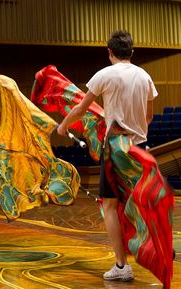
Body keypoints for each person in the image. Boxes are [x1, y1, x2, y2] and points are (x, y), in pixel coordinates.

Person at [57, 30, 157, 282]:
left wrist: (63, 126)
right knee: (136, 203)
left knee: (110, 206)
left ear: (109, 52)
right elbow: (149, 117)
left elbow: (81, 108)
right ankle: (154, 246)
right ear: (132, 52)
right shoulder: (145, 77)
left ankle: (122, 266)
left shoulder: (104, 75)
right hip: (139, 148)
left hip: (115, 149)